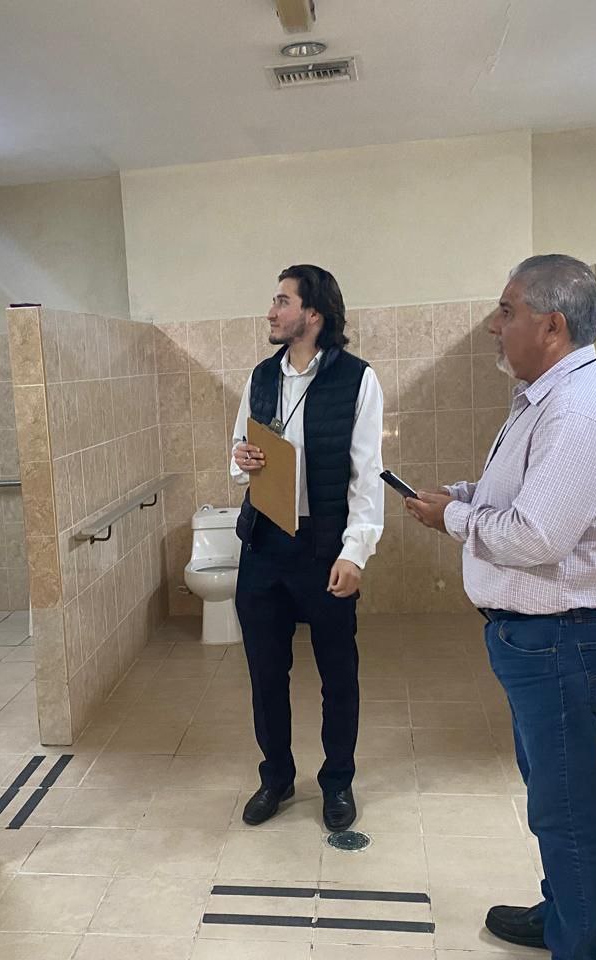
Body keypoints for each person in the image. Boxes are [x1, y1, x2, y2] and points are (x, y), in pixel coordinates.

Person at [405, 254, 596, 960]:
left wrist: (453, 519)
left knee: (567, 808)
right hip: (543, 640)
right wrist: (464, 497)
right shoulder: (546, 398)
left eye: (507, 311)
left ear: (552, 325)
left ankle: (581, 946)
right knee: (555, 795)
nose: (493, 324)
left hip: (562, 640)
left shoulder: (581, 410)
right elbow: (524, 497)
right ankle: (564, 915)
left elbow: (537, 536)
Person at [230, 264, 384, 831]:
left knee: (337, 673)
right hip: (264, 543)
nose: (271, 312)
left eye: (282, 301)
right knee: (266, 673)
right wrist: (241, 459)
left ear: (313, 314)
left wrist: (355, 552)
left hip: (324, 547)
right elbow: (238, 451)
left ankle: (337, 781)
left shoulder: (358, 380)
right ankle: (276, 776)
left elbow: (367, 475)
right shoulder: (260, 378)